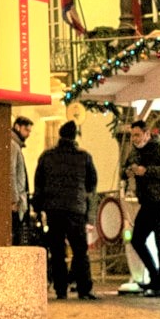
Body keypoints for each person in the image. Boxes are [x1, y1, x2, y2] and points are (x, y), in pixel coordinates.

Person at [34, 118, 98, 300]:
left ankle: (61, 288)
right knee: (79, 250)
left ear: (60, 135)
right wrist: (86, 207)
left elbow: (39, 184)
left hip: (53, 209)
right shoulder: (84, 157)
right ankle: (84, 287)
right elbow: (91, 184)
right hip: (75, 209)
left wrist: (39, 207)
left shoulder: (47, 156)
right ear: (74, 136)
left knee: (57, 250)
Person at [125, 121, 160, 297]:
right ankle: (155, 276)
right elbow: (126, 167)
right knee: (137, 239)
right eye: (133, 135)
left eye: (138, 135)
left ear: (147, 134)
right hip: (147, 201)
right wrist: (128, 172)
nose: (135, 139)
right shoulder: (135, 151)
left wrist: (146, 171)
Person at [10, 115, 38, 245]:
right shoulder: (13, 146)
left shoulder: (16, 146)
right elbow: (12, 172)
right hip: (16, 202)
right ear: (17, 127)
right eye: (26, 130)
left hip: (18, 200)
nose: (28, 134)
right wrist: (14, 199)